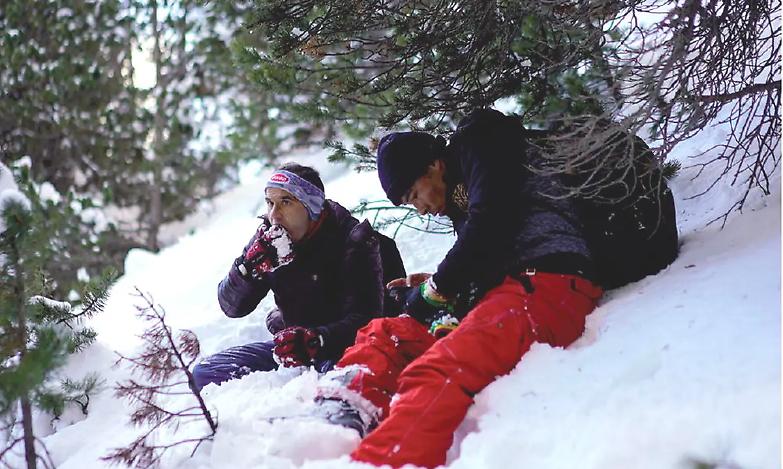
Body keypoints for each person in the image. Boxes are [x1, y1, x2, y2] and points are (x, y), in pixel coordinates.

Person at [312, 109, 604, 468]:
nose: (419, 208)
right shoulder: (463, 195)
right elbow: (486, 252)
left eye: (414, 194)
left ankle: (379, 462)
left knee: (436, 370)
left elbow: (493, 222)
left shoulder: (484, 141)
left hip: (549, 284)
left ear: (434, 165)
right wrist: (432, 289)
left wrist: (436, 289)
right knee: (385, 332)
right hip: (510, 291)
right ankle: (333, 423)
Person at [191, 163, 406, 391]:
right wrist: (247, 269)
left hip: (342, 349)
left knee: (338, 387)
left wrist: (316, 340)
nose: (274, 214)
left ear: (311, 207)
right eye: (270, 203)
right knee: (205, 372)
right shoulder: (270, 238)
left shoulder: (355, 240)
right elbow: (232, 307)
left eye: (286, 202)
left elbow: (367, 321)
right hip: (295, 349)